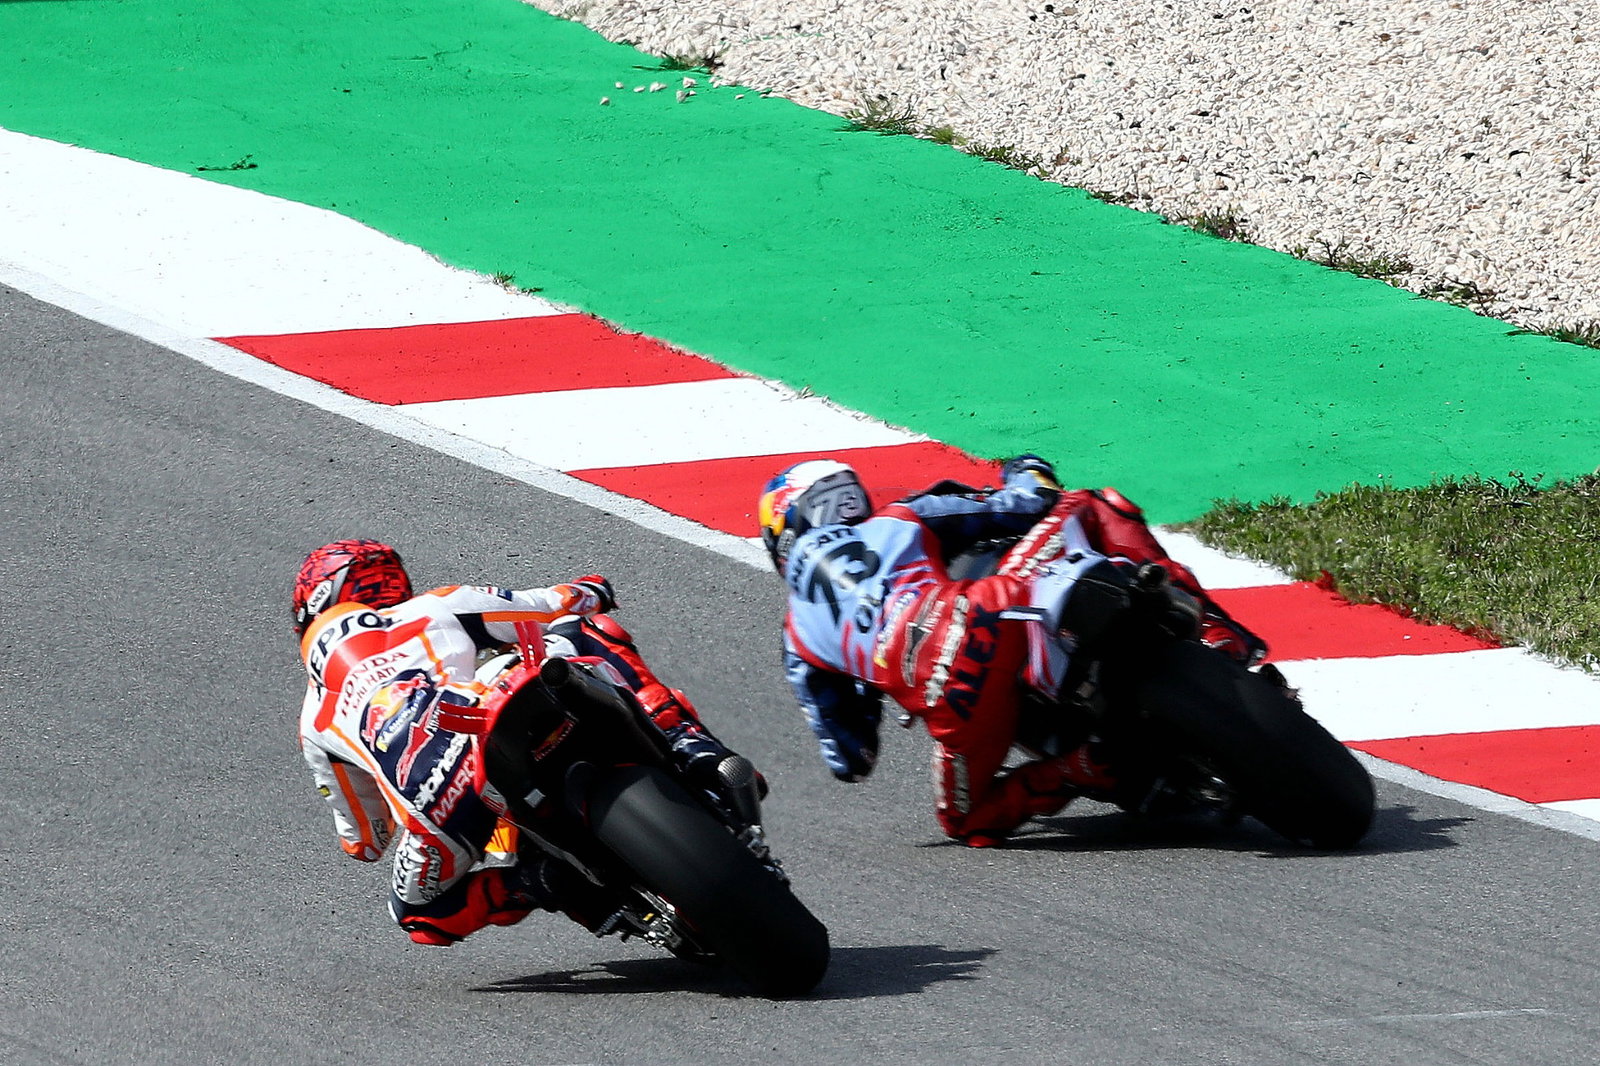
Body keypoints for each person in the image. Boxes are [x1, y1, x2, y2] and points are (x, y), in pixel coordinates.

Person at [758, 455, 1268, 848]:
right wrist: (1027, 468)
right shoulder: (900, 517)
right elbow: (1026, 503)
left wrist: (867, 680)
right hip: (993, 607)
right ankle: (1212, 629)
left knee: (966, 821)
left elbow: (852, 759)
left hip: (951, 694)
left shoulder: (797, 637)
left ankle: (1080, 766)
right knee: (1095, 504)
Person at [292, 538, 748, 946]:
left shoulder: (314, 720)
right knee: (584, 627)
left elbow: (367, 843)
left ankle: (540, 882)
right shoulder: (432, 607)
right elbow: (551, 605)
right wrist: (593, 590)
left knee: (416, 913)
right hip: (486, 716)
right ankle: (687, 742)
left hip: (441, 807)